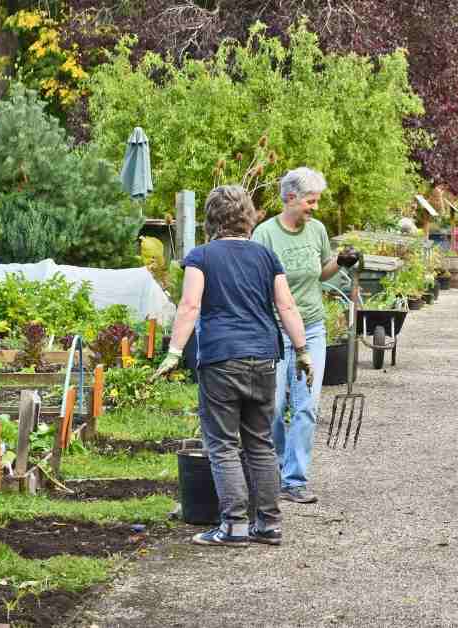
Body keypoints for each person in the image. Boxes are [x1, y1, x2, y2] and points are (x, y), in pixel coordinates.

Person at [152, 185, 313, 548]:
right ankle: (269, 524)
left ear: (211, 219)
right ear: (249, 217)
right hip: (263, 358)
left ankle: (234, 525)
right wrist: (302, 351)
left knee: (223, 444)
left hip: (222, 359)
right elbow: (286, 307)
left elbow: (190, 305)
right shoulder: (265, 257)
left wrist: (174, 352)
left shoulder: (202, 256)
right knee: (260, 443)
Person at [251, 167, 360, 504]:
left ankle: (295, 480)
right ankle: (279, 466)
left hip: (311, 327)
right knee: (274, 406)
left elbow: (321, 271)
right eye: (310, 201)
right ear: (290, 198)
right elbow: (256, 283)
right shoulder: (265, 235)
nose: (315, 207)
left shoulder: (317, 231)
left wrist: (341, 262)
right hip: (275, 330)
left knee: (306, 406)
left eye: (317, 201)